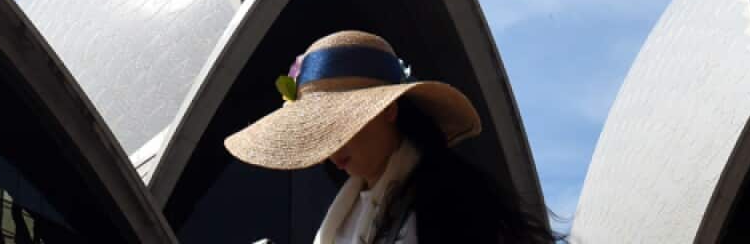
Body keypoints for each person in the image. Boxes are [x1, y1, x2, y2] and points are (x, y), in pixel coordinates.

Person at [225, 30, 558, 244]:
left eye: (340, 124)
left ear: (387, 110)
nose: (332, 149)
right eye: (323, 132)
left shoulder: (451, 202)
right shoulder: (345, 216)